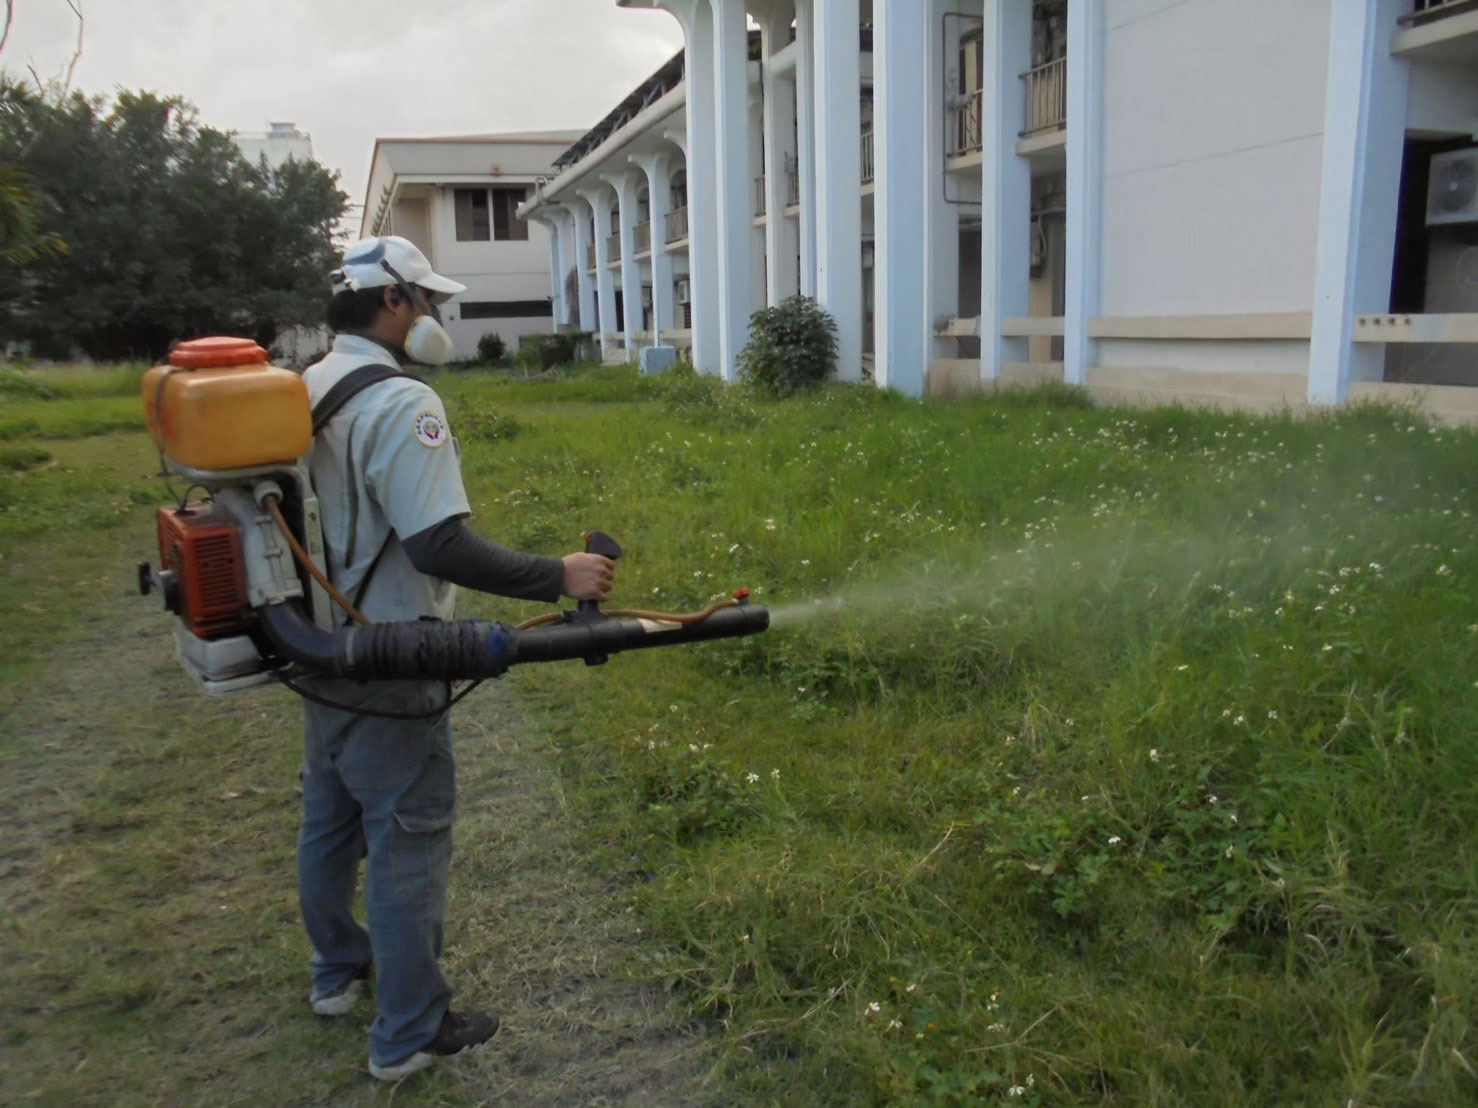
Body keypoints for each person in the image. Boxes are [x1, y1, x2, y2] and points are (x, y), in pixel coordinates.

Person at [296, 235, 614, 1082]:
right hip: (391, 654)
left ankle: (335, 975)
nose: (438, 317)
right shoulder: (402, 404)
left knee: (329, 815)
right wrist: (559, 574)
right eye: (430, 301)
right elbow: (437, 544)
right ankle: (406, 1033)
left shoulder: (310, 383)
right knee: (407, 836)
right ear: (394, 302)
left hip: (318, 642)